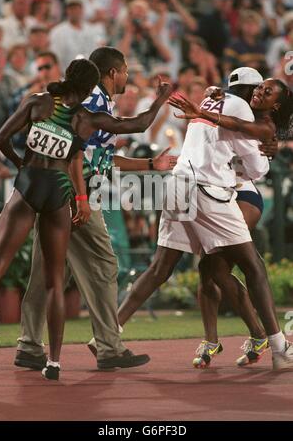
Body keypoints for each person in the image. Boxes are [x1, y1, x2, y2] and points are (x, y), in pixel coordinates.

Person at [0, 57, 173, 380]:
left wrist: (148, 164)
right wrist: (80, 198)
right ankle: (108, 347)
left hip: (47, 191)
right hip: (75, 196)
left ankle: (30, 346)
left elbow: (103, 157)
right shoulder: (89, 105)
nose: (128, 79)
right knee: (103, 266)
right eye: (126, 73)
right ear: (111, 72)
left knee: (46, 272)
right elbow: (79, 155)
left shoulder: (71, 102)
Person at [118, 68, 293, 370]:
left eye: (263, 90)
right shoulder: (223, 103)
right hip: (211, 188)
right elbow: (236, 128)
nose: (256, 93)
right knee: (209, 269)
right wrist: (210, 102)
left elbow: (252, 157)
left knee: (217, 266)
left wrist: (206, 109)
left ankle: (259, 339)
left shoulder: (249, 119)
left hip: (237, 191)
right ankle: (247, 339)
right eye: (256, 88)